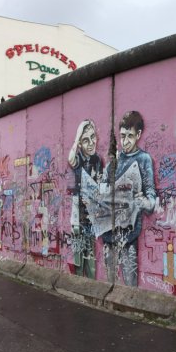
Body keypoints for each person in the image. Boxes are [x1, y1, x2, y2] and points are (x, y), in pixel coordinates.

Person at [101, 111, 157, 287]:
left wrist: (143, 202)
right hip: (109, 235)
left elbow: (151, 200)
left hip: (129, 235)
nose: (125, 142)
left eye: (130, 136)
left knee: (130, 285)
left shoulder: (143, 159)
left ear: (138, 135)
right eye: (122, 136)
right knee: (109, 283)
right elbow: (101, 192)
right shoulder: (113, 162)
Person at [67, 119, 102, 279]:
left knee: (91, 255)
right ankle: (79, 281)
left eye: (93, 137)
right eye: (85, 140)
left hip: (91, 213)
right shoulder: (79, 159)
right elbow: (70, 158)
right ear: (80, 143)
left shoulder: (97, 161)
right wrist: (77, 139)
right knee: (78, 256)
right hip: (78, 214)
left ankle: (91, 284)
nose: (91, 143)